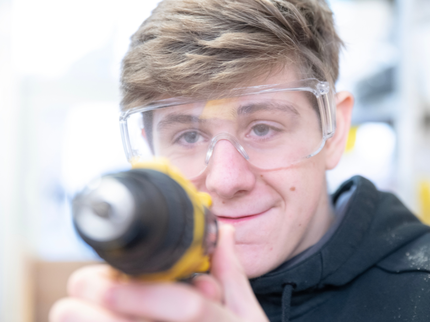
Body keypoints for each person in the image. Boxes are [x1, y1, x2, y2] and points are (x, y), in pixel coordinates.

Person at [50, 0, 430, 321]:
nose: (226, 180)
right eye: (189, 136)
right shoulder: (139, 298)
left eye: (263, 129)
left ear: (335, 130)